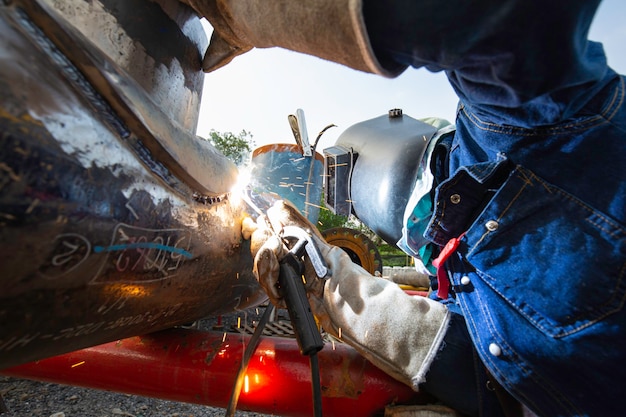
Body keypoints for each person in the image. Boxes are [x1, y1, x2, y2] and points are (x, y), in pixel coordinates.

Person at [181, 1, 626, 416]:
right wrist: (338, 282)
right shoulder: (460, 265)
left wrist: (247, 11)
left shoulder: (530, 123)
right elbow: (497, 365)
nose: (420, 241)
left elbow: (504, 17)